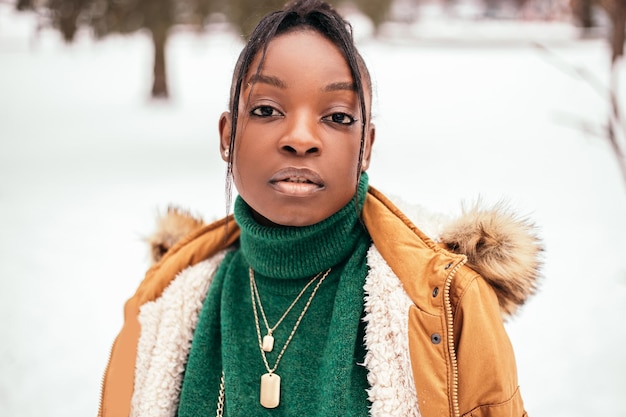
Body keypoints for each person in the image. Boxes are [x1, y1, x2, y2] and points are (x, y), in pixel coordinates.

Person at [98, 0, 542, 416]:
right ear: (227, 137)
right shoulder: (161, 303)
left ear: (365, 147)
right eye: (268, 109)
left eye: (337, 117)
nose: (301, 138)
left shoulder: (449, 304)